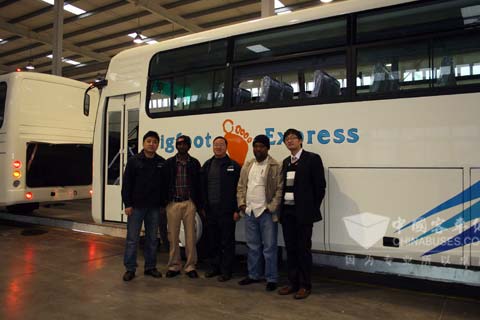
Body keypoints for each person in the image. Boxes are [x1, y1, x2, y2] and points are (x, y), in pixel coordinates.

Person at [278, 128, 326, 299]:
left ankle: (305, 285)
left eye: (293, 138)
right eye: (287, 139)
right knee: (290, 249)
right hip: (287, 213)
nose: (290, 141)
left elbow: (320, 187)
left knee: (303, 249)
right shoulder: (285, 162)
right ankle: (293, 283)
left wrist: (311, 209)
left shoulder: (312, 159)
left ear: (300, 141)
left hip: (303, 214)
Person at [236, 134, 283, 291]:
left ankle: (271, 278)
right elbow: (241, 186)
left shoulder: (275, 165)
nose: (258, 149)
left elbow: (279, 190)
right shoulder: (248, 164)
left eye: (261, 146)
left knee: (269, 247)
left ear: (267, 148)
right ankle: (253, 275)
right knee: (253, 246)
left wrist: (271, 208)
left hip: (266, 213)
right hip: (249, 212)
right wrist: (242, 204)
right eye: (255, 146)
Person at [121, 131, 167, 281]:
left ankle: (150, 267)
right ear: (143, 143)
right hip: (136, 207)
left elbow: (164, 186)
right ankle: (130, 268)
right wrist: (127, 204)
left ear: (158, 144)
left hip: (154, 208)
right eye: (149, 141)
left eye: (154, 142)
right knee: (132, 239)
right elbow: (127, 184)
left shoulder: (161, 162)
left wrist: (163, 204)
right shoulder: (134, 161)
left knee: (152, 239)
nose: (151, 144)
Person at [201, 136, 241, 282]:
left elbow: (240, 189)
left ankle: (226, 271)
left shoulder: (234, 166)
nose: (218, 147)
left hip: (228, 212)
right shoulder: (207, 165)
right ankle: (214, 268)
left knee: (227, 242)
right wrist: (203, 207)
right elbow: (202, 188)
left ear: (226, 147)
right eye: (216, 145)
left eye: (221, 145)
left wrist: (237, 210)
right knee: (213, 241)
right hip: (210, 211)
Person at [165, 135, 202, 278]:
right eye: (179, 144)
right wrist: (165, 202)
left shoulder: (194, 163)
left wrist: (197, 203)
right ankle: (174, 266)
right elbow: (164, 183)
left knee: (190, 237)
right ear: (176, 146)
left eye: (184, 144)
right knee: (173, 237)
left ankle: (190, 266)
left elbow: (198, 185)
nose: (181, 146)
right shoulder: (169, 163)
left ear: (189, 146)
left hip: (189, 204)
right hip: (173, 203)